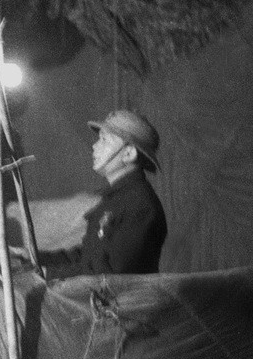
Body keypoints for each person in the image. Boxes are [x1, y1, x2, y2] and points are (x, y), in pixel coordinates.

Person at [38, 109, 167, 278]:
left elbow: (111, 276)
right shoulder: (114, 200)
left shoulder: (140, 205)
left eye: (104, 140)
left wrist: (49, 274)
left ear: (128, 153)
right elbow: (85, 258)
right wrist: (33, 258)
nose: (95, 145)